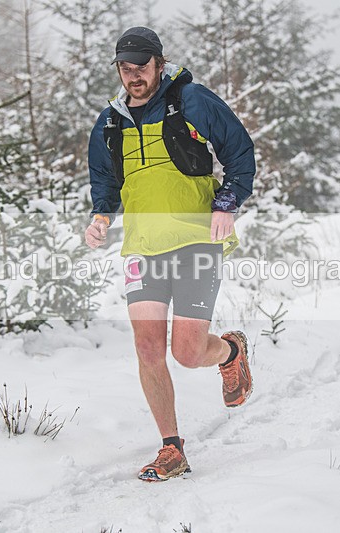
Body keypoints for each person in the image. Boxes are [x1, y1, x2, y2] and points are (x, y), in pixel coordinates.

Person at [85, 27, 256, 482]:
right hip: (143, 245)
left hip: (196, 238)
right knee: (146, 347)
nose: (134, 75)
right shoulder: (110, 121)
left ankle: (229, 352)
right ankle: (171, 448)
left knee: (185, 351)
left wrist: (226, 205)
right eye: (126, 67)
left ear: (159, 63)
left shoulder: (192, 100)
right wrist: (101, 217)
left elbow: (239, 151)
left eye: (142, 66)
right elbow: (104, 180)